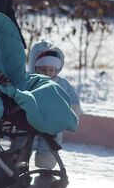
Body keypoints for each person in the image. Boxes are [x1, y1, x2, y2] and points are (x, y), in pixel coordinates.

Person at [28, 40, 82, 169]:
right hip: (29, 123)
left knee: (49, 148)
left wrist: (72, 112)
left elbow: (72, 99)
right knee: (23, 145)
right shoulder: (30, 81)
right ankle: (16, 164)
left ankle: (45, 169)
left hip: (52, 124)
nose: (48, 73)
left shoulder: (62, 84)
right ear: (35, 68)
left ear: (57, 70)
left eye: (51, 70)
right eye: (43, 69)